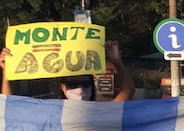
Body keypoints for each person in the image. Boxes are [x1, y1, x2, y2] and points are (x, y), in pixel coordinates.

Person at [1, 41, 135, 102]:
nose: (80, 89)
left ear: (92, 85)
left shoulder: (99, 114)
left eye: (85, 84)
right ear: (63, 87)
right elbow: (10, 107)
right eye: (73, 84)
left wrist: (117, 61)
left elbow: (128, 91)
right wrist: (7, 71)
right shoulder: (52, 114)